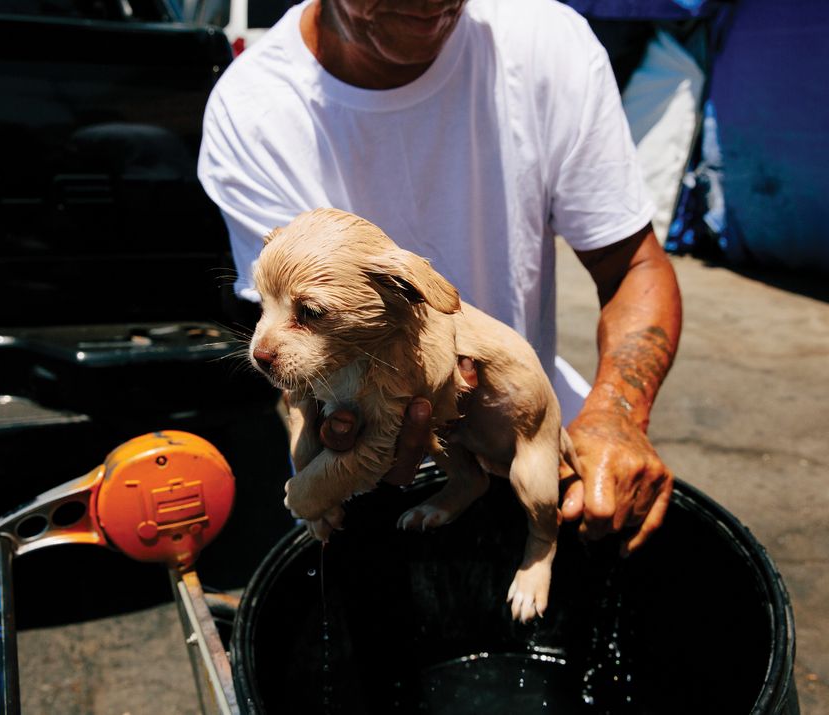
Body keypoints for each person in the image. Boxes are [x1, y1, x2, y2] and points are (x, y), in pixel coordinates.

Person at [198, 0, 682, 555]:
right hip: (361, 468)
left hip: (516, 425)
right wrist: (317, 438)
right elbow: (287, 344)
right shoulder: (254, 110)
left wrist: (618, 410)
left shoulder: (546, 44)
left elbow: (633, 266)